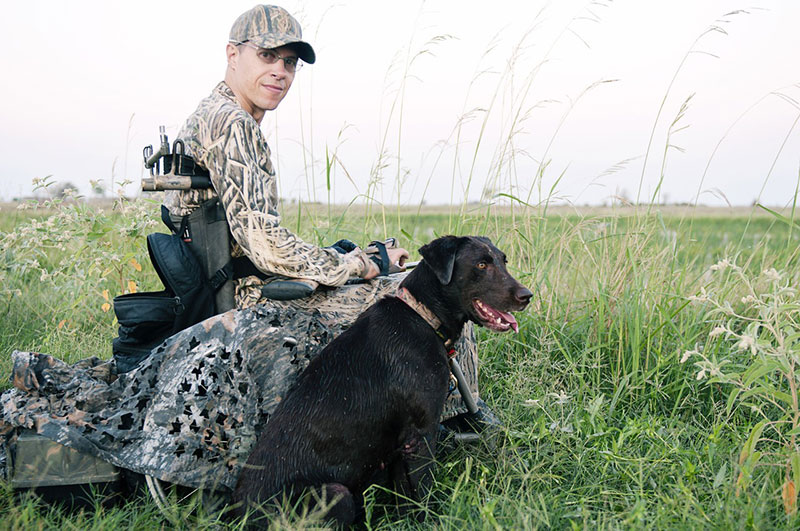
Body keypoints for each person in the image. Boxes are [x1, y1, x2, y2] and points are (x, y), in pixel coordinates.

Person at [0, 4, 496, 494]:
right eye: (268, 57)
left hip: (236, 280)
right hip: (252, 297)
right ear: (233, 55)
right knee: (425, 297)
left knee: (391, 280)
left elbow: (252, 239)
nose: (280, 72)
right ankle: (452, 423)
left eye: (290, 63)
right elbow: (266, 245)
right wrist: (355, 264)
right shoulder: (233, 123)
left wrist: (348, 258)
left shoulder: (213, 113)